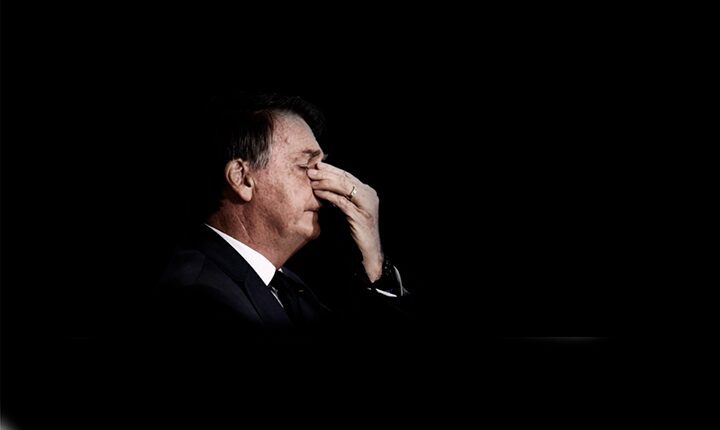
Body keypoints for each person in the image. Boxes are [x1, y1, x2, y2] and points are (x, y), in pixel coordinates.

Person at [149, 91, 411, 345]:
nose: (325, 187)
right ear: (242, 178)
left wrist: (374, 262)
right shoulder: (199, 298)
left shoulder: (286, 285)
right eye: (306, 167)